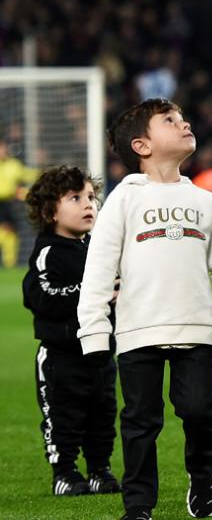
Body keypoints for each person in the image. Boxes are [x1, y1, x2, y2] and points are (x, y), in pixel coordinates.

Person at [77, 98, 212, 520]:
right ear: (142, 145)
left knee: (198, 409)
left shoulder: (204, 200)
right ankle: (138, 505)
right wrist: (94, 330)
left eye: (182, 118)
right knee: (140, 421)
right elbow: (99, 267)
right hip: (139, 330)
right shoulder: (123, 200)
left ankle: (202, 473)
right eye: (170, 121)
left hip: (196, 327)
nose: (184, 123)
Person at [23, 166, 120, 497]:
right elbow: (40, 295)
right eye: (75, 198)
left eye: (91, 197)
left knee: (102, 416)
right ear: (51, 211)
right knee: (63, 418)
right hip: (61, 357)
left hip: (101, 353)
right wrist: (92, 290)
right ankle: (64, 473)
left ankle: (99, 470)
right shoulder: (48, 253)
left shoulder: (100, 248)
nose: (88, 204)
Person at [0, 137, 39, 269]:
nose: (2, 151)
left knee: (10, 235)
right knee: (5, 234)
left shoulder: (13, 165)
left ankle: (9, 265)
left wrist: (43, 173)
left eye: (3, 147)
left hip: (7, 204)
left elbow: (27, 175)